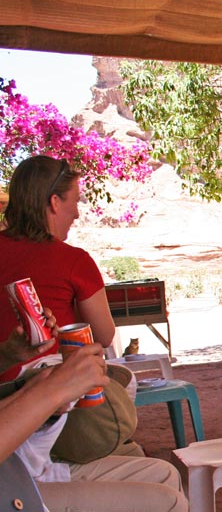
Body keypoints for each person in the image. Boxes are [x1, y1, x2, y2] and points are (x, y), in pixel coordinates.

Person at [0, 319, 188, 511]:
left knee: (164, 474)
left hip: (18, 465)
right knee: (168, 502)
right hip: (10, 488)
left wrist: (7, 356)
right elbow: (105, 332)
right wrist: (51, 392)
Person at [0, 156, 116, 382]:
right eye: (75, 200)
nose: (77, 213)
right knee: (124, 385)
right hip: (43, 391)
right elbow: (104, 335)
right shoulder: (74, 261)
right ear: (54, 202)